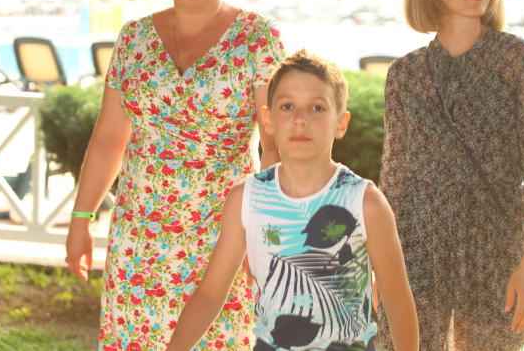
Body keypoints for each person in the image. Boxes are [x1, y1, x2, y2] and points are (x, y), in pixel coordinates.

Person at [65, 0, 286, 350]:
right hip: (138, 240)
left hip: (224, 239)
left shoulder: (258, 38)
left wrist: (267, 234)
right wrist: (81, 217)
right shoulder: (133, 39)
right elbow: (108, 138)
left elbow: (274, 146)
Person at [377, 0, 524, 351]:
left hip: (495, 252)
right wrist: (382, 267)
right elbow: (394, 180)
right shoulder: (404, 74)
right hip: (417, 254)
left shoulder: (521, 61)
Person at [166, 49, 419, 351]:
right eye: (287, 106)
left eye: (317, 107)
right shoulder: (246, 199)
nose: (300, 120)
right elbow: (210, 294)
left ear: (341, 123)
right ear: (268, 120)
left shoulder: (366, 203)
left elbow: (397, 300)